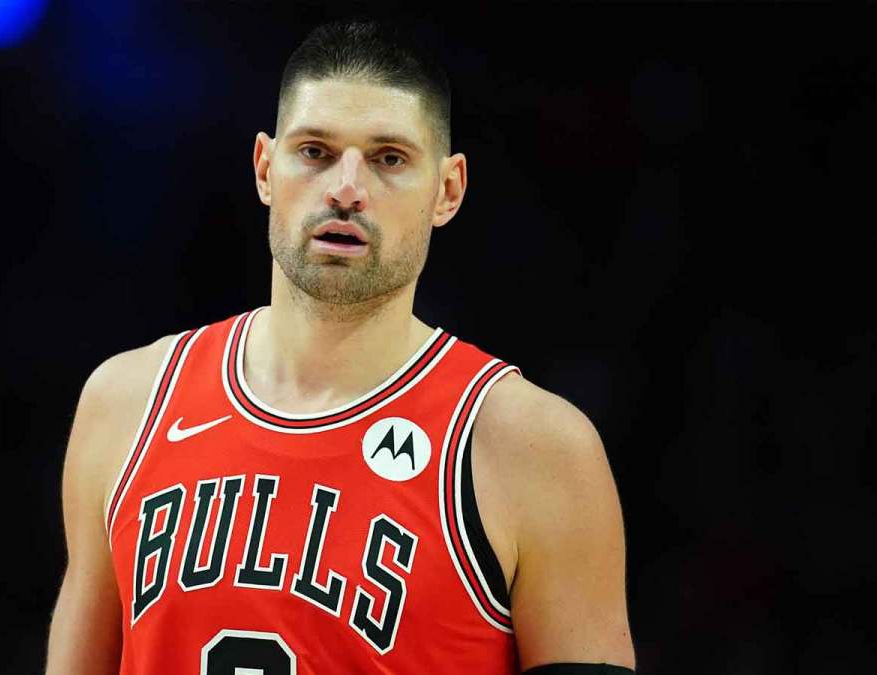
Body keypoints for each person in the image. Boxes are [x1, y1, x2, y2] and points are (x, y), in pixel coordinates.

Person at [45, 18, 635, 675]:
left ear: (448, 190)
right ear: (266, 169)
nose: (346, 188)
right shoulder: (125, 404)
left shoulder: (536, 449)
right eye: (316, 152)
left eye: (389, 158)